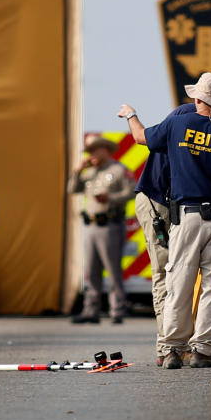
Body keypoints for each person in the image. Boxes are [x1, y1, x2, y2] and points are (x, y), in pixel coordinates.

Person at [118, 72, 211, 369]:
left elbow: (141, 138)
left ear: (197, 99)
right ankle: (203, 351)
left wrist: (131, 115)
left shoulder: (176, 123)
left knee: (179, 282)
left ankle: (172, 350)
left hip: (185, 217)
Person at [128, 102, 196, 365]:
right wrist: (132, 114)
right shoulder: (185, 114)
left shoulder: (207, 121)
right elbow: (141, 137)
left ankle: (179, 343)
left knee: (182, 273)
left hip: (174, 202)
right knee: (165, 271)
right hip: (158, 202)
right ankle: (166, 346)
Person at [67, 135, 133, 324]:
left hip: (110, 225)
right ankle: (91, 310)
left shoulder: (118, 170)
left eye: (94, 150)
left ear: (105, 150)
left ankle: (117, 309)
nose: (91, 155)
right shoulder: (89, 172)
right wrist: (77, 172)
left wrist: (110, 198)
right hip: (91, 226)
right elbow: (72, 189)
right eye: (89, 151)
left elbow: (131, 191)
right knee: (92, 270)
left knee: (112, 269)